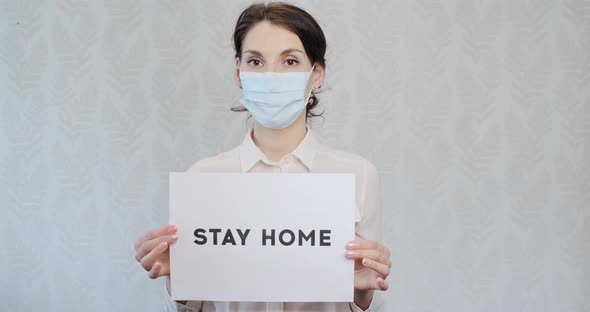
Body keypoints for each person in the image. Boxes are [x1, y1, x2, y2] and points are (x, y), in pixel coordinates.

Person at [134, 2, 391, 311]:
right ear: (239, 73)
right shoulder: (203, 178)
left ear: (317, 75)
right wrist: (178, 281)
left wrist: (364, 295)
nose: (271, 76)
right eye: (255, 61)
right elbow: (196, 304)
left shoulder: (357, 175)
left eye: (290, 61)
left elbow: (363, 295)